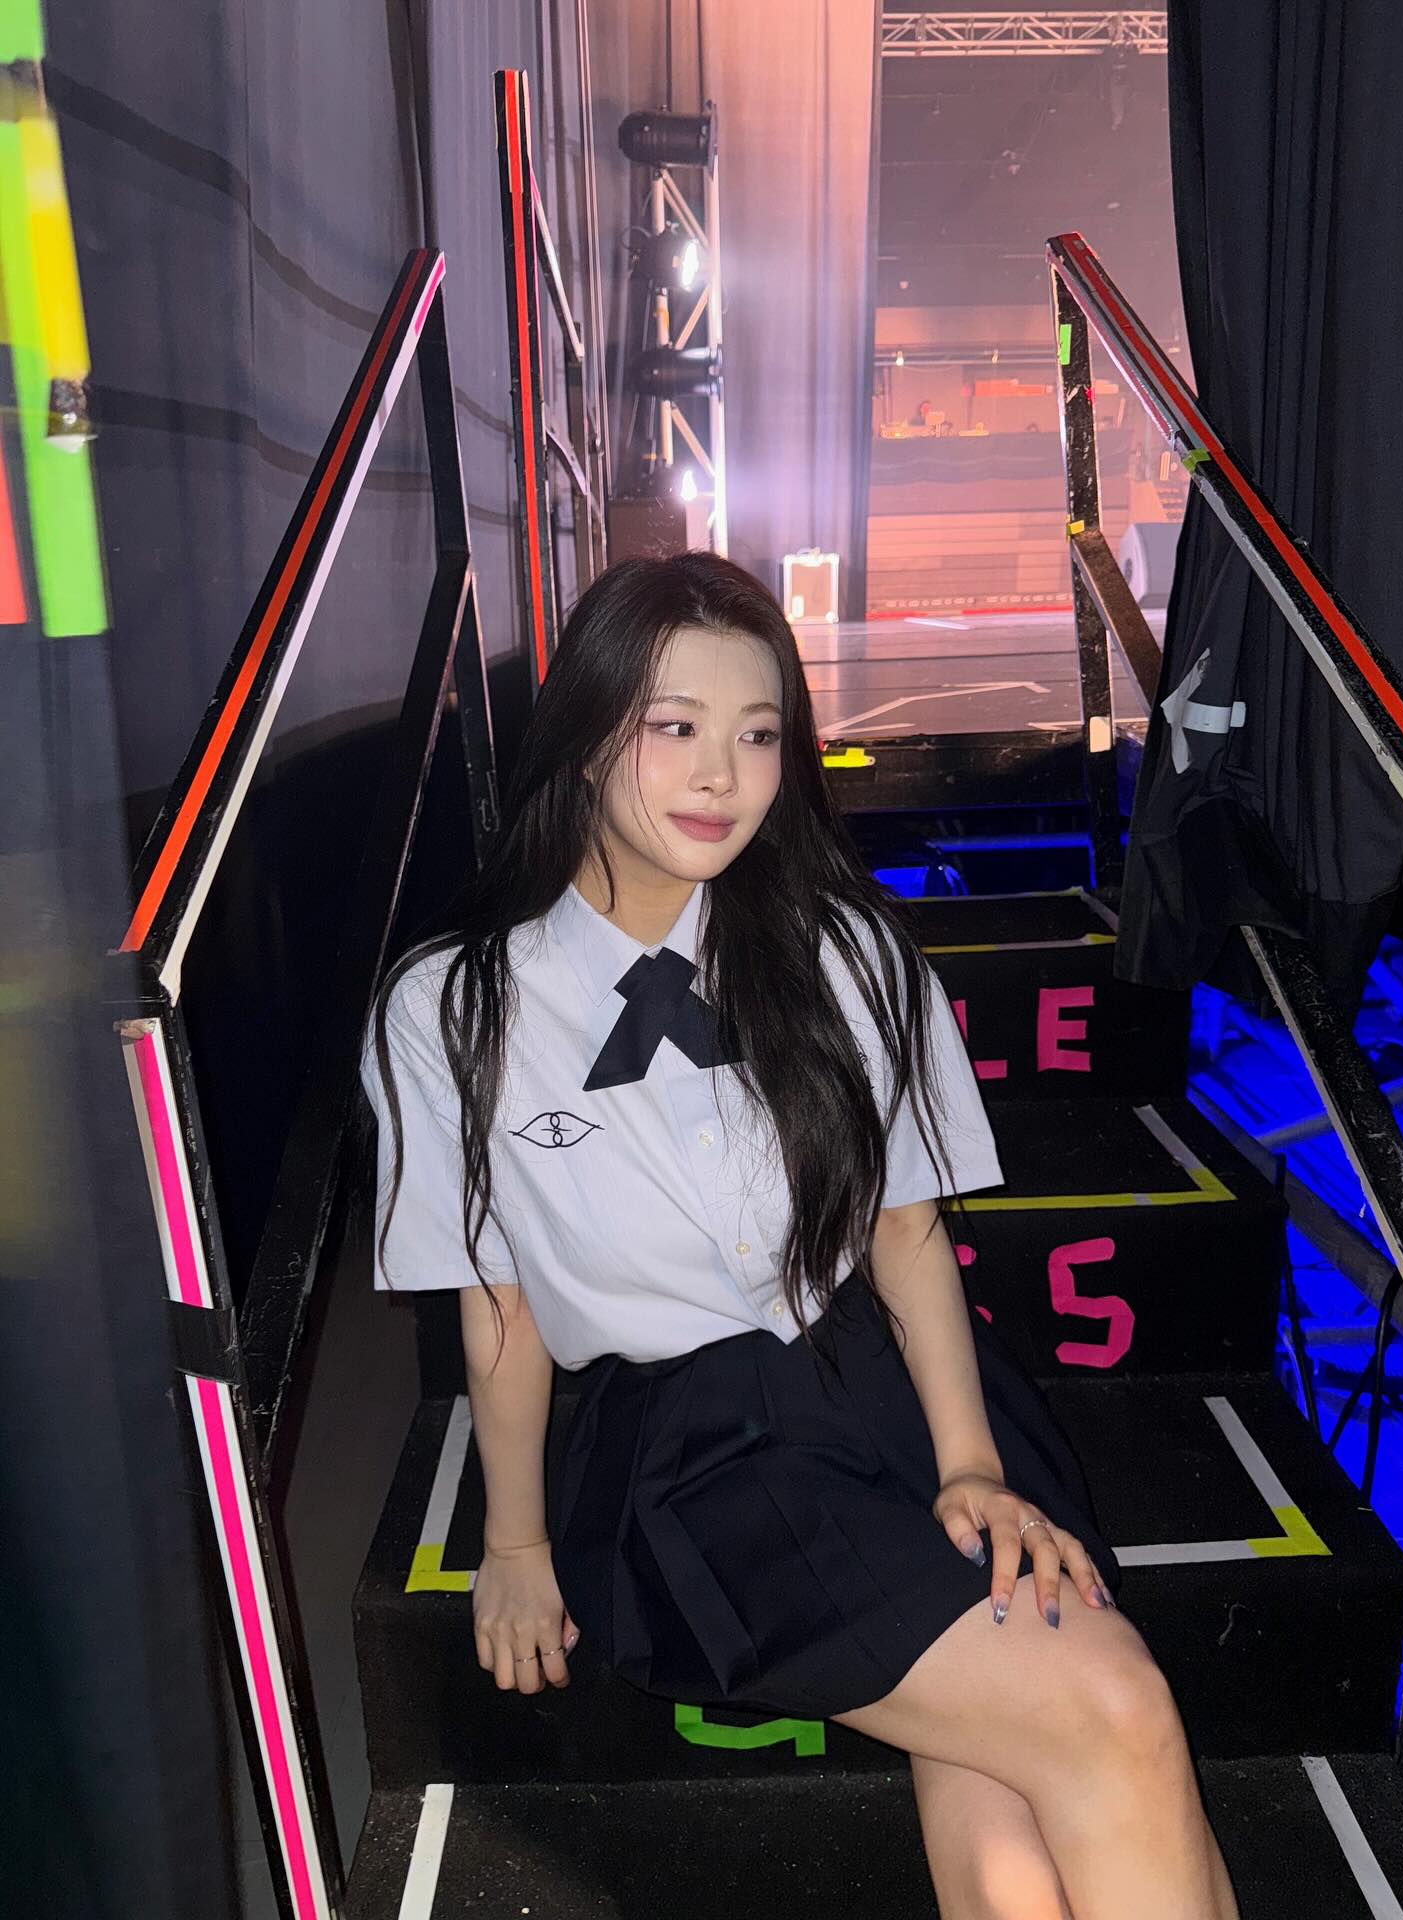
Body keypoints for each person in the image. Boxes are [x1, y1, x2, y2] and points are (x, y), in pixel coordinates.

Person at [360, 553, 1239, 1919]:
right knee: (1110, 1707)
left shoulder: (848, 950)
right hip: (690, 1446)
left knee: (1012, 1824)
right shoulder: (454, 1005)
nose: (722, 775)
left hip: (890, 1384)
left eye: (760, 734)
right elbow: (500, 1303)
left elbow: (904, 1229)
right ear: (586, 735)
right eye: (675, 726)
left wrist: (970, 1460)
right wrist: (515, 1542)